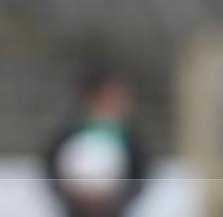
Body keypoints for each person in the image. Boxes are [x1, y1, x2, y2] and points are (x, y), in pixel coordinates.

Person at [44, 68, 148, 217]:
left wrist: (117, 198)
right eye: (111, 96)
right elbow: (49, 171)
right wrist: (72, 195)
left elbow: (140, 176)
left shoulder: (129, 137)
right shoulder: (71, 132)